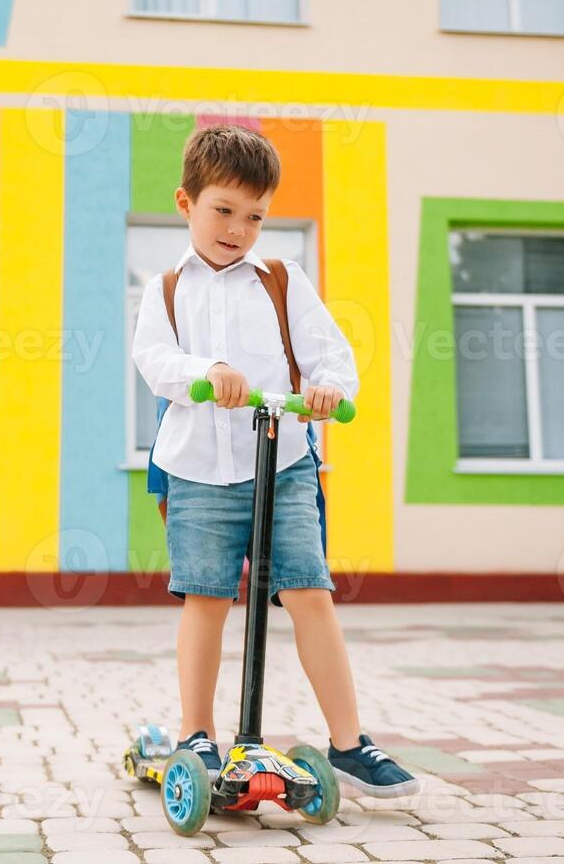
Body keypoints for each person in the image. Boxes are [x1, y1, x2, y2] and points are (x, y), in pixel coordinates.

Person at [130, 123, 419, 799]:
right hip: (199, 466)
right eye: (222, 210)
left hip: (283, 459)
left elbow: (332, 358)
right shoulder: (166, 287)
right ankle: (197, 734)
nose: (237, 228)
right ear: (185, 202)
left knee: (308, 591)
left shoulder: (285, 281)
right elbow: (155, 363)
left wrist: (326, 391)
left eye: (254, 216)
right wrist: (209, 369)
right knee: (206, 597)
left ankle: (348, 743)